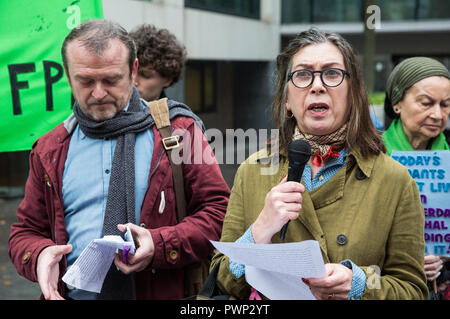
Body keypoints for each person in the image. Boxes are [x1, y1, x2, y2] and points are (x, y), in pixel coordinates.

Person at [8, 19, 230, 300]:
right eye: (85, 81)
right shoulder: (49, 149)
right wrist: (39, 255)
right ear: (67, 75)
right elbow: (24, 232)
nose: (98, 93)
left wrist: (158, 245)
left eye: (111, 79)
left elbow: (220, 213)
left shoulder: (180, 130)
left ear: (133, 70)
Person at [210, 28, 428, 300]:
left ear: (353, 94)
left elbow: (413, 290)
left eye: (332, 73)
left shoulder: (395, 180)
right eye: (302, 74)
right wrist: (259, 230)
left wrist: (359, 283)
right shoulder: (252, 171)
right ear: (287, 99)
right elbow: (221, 280)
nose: (317, 85)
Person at [382, 57, 450, 299]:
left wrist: (441, 255)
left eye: (445, 104)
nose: (437, 114)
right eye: (426, 103)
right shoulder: (370, 156)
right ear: (398, 103)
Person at [130, 24, 186, 102]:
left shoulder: (176, 114)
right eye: (130, 72)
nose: (133, 81)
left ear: (167, 80)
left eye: (145, 75)